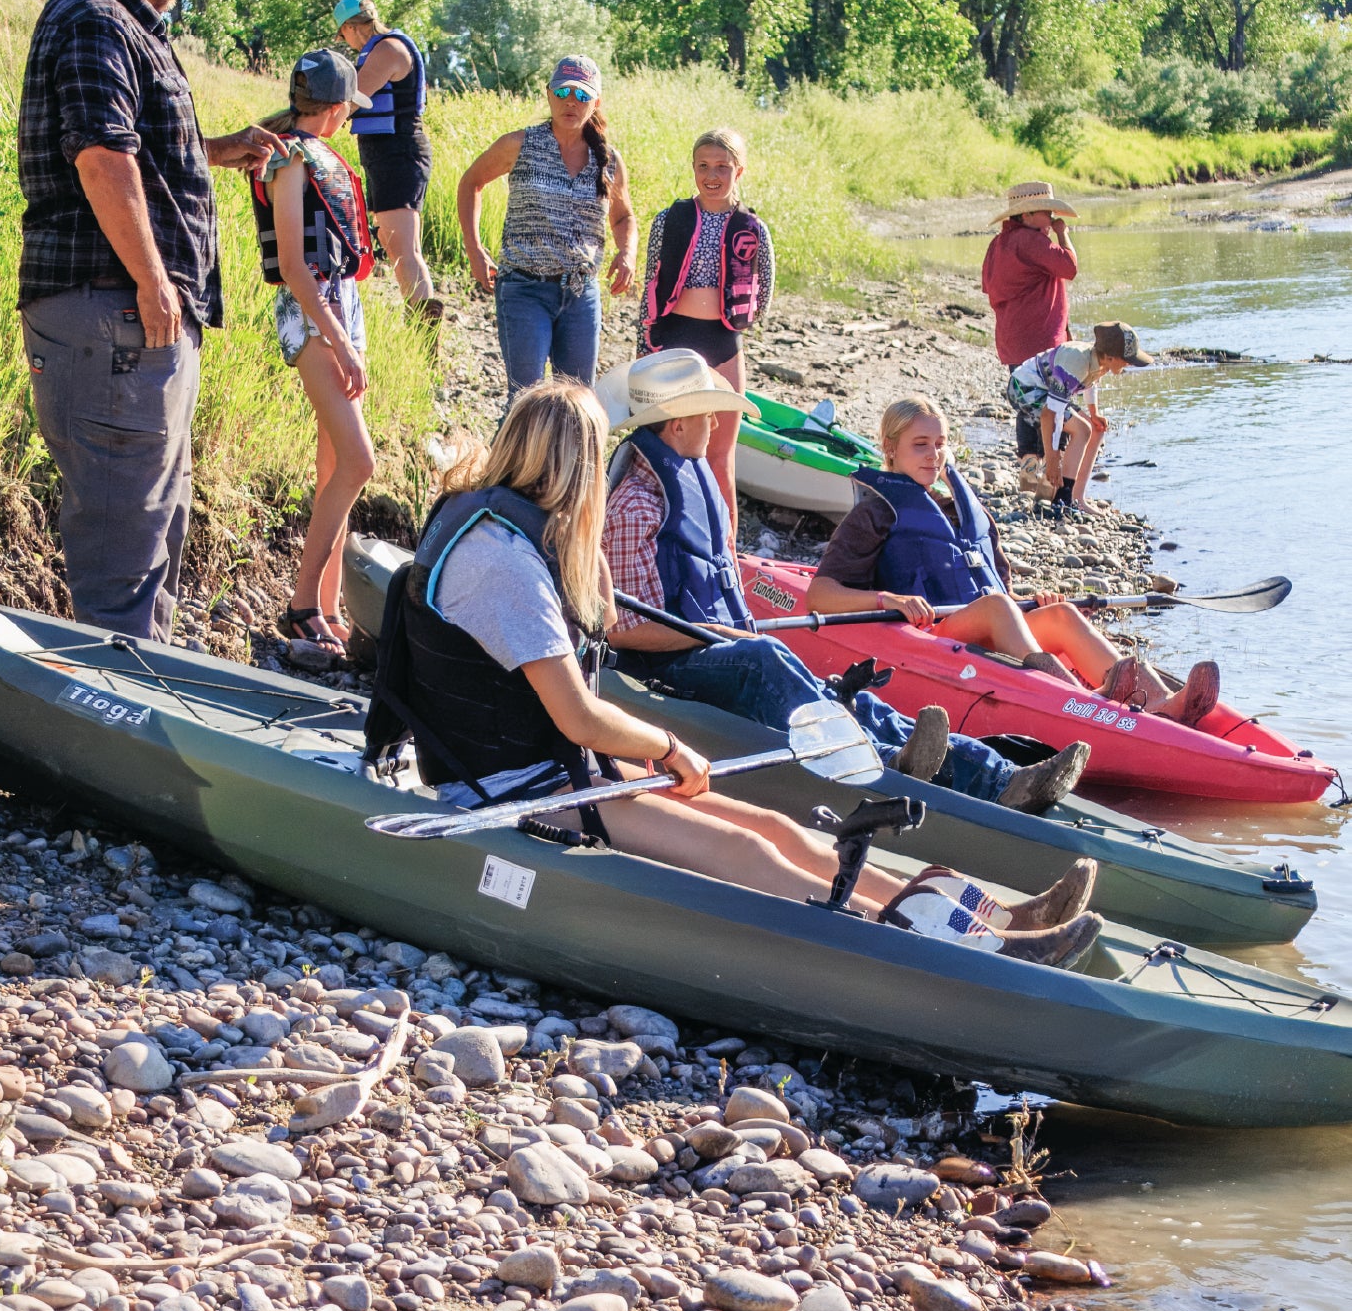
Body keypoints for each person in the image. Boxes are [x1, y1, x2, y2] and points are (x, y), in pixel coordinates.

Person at [371, 378, 1102, 969]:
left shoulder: (508, 529)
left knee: (775, 827)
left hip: (568, 771)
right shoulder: (502, 562)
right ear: (573, 466)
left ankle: (996, 916)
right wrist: (665, 747)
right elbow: (577, 717)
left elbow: (585, 639)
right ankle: (948, 942)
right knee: (745, 848)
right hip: (514, 788)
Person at [601, 352, 1089, 814]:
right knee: (766, 659)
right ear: (678, 423)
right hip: (674, 668)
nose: (715, 424)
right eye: (708, 413)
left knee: (851, 696)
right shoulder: (636, 504)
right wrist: (726, 636)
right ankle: (889, 765)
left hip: (715, 648)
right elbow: (623, 631)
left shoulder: (684, 477)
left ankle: (1001, 776)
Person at [16, 0, 274, 642]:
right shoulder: (99, 21)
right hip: (116, 310)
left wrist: (219, 151)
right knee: (125, 532)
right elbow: (101, 158)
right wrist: (154, 280)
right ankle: (115, 724)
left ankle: (141, 693)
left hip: (122, 315)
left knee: (153, 515)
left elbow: (128, 146)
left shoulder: (113, 22)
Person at [806, 396, 1221, 729]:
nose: (934, 455)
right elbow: (819, 593)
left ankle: (1162, 703)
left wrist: (1031, 601)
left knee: (1060, 614)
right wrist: (887, 599)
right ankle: (1078, 704)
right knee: (999, 608)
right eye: (920, 445)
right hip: (934, 635)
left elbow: (1000, 593)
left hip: (985, 626)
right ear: (890, 449)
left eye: (940, 443)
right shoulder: (875, 513)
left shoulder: (967, 512)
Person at [250, 50, 377, 655]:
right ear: (333, 108)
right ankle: (303, 605)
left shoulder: (313, 151)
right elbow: (298, 271)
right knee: (359, 463)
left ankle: (327, 610)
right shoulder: (291, 159)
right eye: (348, 108)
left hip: (340, 309)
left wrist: (350, 335)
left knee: (334, 467)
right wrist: (340, 341)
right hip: (316, 314)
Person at [457, 56, 637, 403]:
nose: (571, 101)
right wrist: (474, 248)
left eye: (582, 95)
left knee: (577, 402)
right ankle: (508, 459)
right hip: (524, 289)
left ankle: (568, 460)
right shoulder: (519, 144)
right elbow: (470, 183)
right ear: (549, 94)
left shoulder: (608, 160)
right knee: (526, 400)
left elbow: (623, 217)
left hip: (580, 294)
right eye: (563, 91)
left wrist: (627, 252)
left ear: (595, 102)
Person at [636, 126, 774, 538]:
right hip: (673, 342)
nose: (712, 175)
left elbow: (764, 289)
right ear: (692, 168)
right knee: (663, 451)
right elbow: (649, 288)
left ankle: (724, 555)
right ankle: (665, 539)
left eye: (722, 167)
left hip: (724, 345)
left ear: (740, 170)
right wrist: (644, 348)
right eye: (703, 166)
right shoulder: (668, 221)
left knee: (720, 456)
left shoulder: (754, 228)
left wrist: (735, 323)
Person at [333, 0, 440, 330]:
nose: (345, 42)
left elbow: (350, 99)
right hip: (388, 157)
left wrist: (302, 126)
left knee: (404, 251)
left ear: (350, 27)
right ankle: (421, 331)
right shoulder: (383, 48)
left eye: (343, 34)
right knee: (399, 248)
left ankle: (424, 338)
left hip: (399, 155)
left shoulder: (387, 49)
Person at [981, 182, 1079, 471]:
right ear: (1025, 216)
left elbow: (988, 286)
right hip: (1041, 338)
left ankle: (1029, 469)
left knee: (1027, 404)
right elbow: (1070, 267)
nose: (1051, 219)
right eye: (1046, 213)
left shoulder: (998, 244)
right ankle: (1053, 469)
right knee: (1052, 402)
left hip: (1013, 338)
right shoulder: (1032, 241)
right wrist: (1063, 235)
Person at [1006, 322, 1149, 518]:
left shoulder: (1098, 361)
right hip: (1023, 389)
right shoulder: (1075, 363)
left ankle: (1076, 498)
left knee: (1094, 428)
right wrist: (1053, 456)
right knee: (1081, 430)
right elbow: (1050, 415)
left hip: (1046, 390)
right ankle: (1061, 501)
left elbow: (1090, 384)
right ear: (1109, 357)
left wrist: (1094, 412)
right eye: (1127, 360)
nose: (1129, 364)